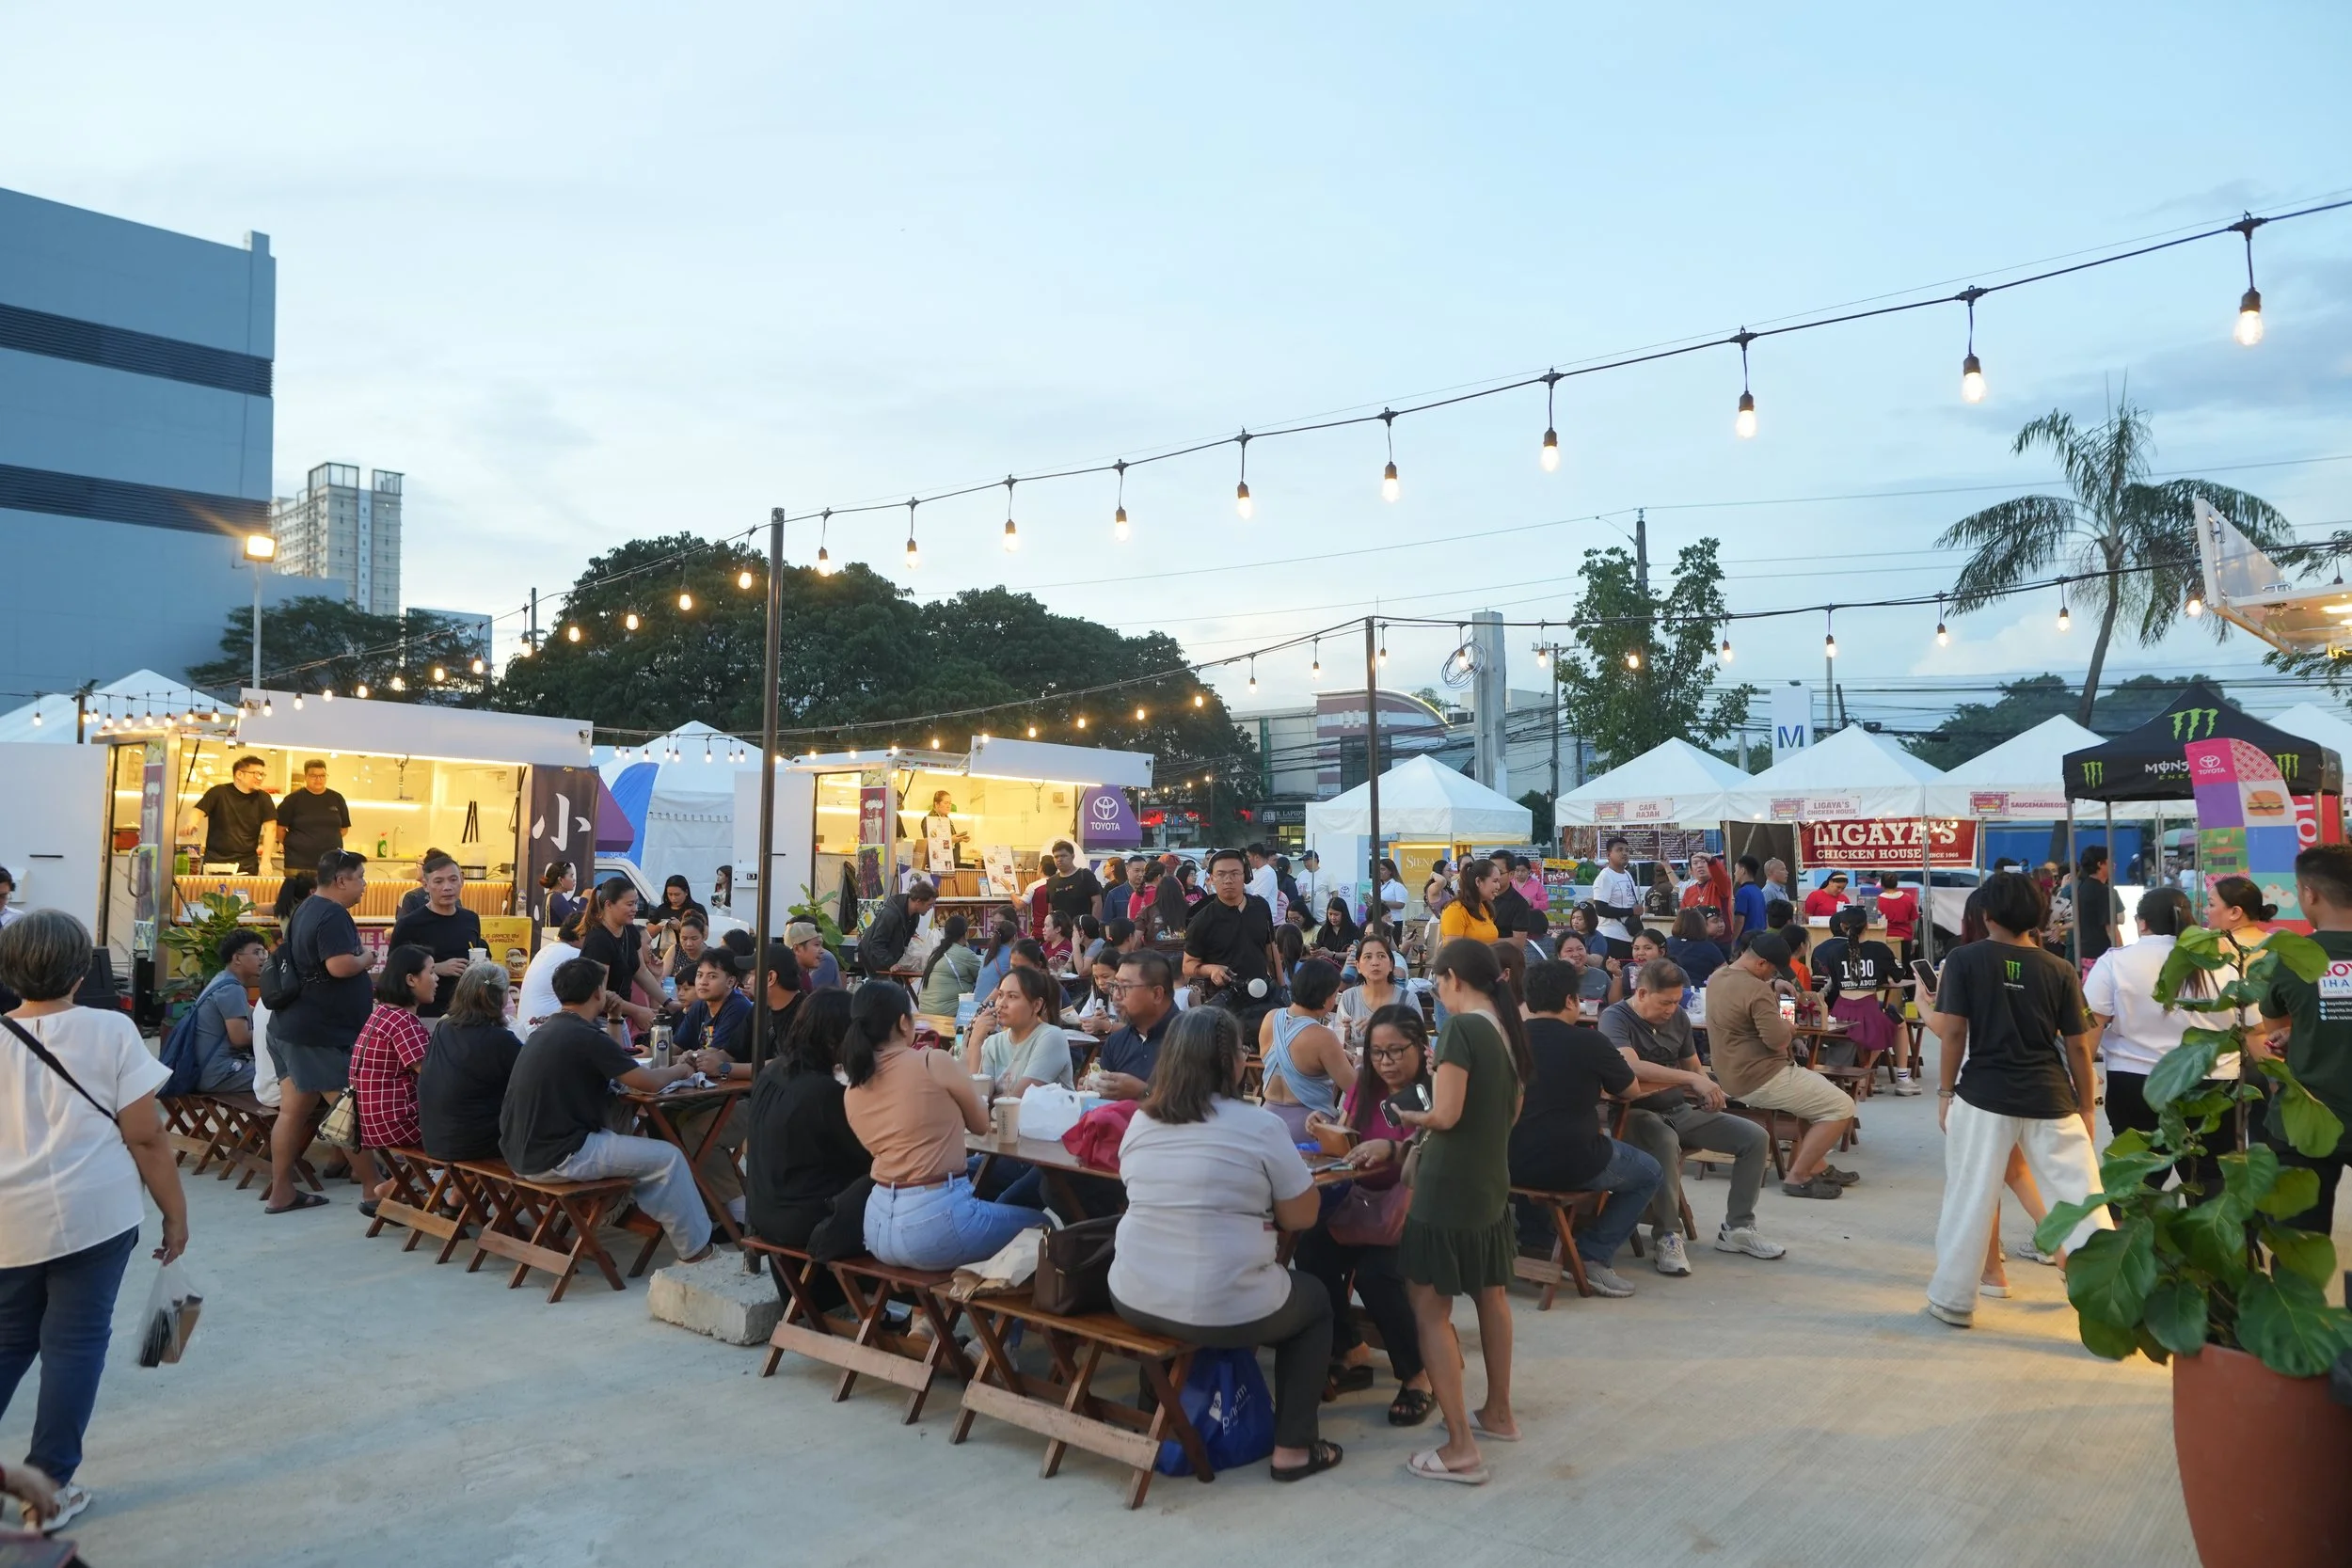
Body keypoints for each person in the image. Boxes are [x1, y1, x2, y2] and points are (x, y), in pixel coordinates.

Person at [0, 911, 190, 1533]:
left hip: (8, 1222)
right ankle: (50, 1487)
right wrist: (175, 1215)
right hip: (95, 1214)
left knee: (8, 1341)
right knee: (75, 1344)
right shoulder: (110, 1030)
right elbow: (146, 1136)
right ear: (82, 970)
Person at [1108, 1006, 1342, 1483]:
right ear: (1231, 1061)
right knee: (1315, 1301)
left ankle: (1161, 1410)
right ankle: (1293, 1448)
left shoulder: (1143, 1121)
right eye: (1240, 1049)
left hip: (1131, 1294)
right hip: (1219, 1303)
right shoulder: (1259, 1125)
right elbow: (1302, 1216)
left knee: (1205, 1286)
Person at [1925, 871, 2111, 1327]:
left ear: (1986, 914)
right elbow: (2078, 1046)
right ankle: (2108, 1297)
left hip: (1982, 1095)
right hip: (2051, 1096)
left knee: (1970, 1196)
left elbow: (1953, 1033)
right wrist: (2087, 1106)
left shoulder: (1964, 959)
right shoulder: (2060, 969)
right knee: (2082, 1200)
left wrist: (1945, 1092)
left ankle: (1954, 1300)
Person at [1392, 938, 1527, 1484]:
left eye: (1438, 983)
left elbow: (1445, 1114)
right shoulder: (1508, 1028)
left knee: (1429, 1309)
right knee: (1491, 1294)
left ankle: (1460, 1447)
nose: (1438, 993)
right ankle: (1498, 1412)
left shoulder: (1461, 1029)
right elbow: (1511, 1111)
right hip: (1490, 1178)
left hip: (1448, 1185)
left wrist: (1408, 1117)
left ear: (1453, 978)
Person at [501, 958, 715, 1261]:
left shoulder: (549, 1029)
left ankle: (647, 1218)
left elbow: (617, 1062)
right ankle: (697, 1252)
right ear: (597, 993)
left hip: (520, 1153)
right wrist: (681, 1069)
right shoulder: (585, 1036)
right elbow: (649, 1083)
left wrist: (615, 1018)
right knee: (669, 1158)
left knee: (638, 1143)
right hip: (558, 1155)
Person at [1295, 1004, 1435, 1422]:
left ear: (1421, 1047)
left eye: (1396, 1051)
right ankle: (1350, 1347)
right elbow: (1347, 1140)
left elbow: (1436, 1157)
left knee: (1377, 1273)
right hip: (1364, 1205)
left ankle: (1417, 1375)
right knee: (1310, 1248)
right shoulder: (1364, 1088)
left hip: (1416, 1211)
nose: (1385, 1062)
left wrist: (1391, 1150)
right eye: (1376, 1052)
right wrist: (1325, 1128)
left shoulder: (1432, 1093)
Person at [1601, 958, 1783, 1271]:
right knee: (1664, 1140)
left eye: (1677, 1001)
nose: (1671, 1009)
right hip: (1634, 1114)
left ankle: (1738, 1227)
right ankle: (1668, 1235)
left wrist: (1708, 1090)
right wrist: (1691, 1079)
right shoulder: (1615, 1018)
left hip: (1679, 1110)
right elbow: (1630, 1065)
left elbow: (1693, 1065)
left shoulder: (1679, 1019)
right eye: (1665, 1002)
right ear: (1642, 993)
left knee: (1754, 1137)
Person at [845, 980, 1035, 1270]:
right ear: (903, 1023)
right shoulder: (932, 1062)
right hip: (934, 1222)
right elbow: (981, 1124)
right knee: (1043, 1227)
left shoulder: (853, 1087)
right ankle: (1002, 1304)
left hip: (876, 1224)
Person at [1506, 960, 1662, 1299]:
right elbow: (1631, 1090)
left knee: (1537, 1139)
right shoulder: (1590, 1042)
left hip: (1506, 1160)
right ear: (1570, 1000)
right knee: (1650, 1171)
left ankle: (1537, 1242)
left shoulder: (1506, 1039)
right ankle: (1592, 1255)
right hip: (1572, 1161)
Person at [2087, 887, 2237, 1190]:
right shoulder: (2222, 964)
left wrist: (2084, 1075)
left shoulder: (2115, 962)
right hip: (2212, 1083)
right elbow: (2253, 1026)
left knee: (2136, 1181)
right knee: (2210, 1178)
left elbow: (2091, 1025)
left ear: (2142, 923)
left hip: (2137, 1084)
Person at [266, 850, 382, 1212]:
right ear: (341, 880)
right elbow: (340, 966)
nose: (364, 885)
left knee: (293, 1111)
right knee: (349, 1109)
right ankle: (374, 1190)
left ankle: (282, 1191)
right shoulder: (332, 914)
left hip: (292, 1026)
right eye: (360, 877)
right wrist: (367, 959)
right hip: (318, 1034)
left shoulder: (306, 908)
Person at [1705, 932, 1856, 1199]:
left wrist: (1774, 985)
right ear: (1761, 963)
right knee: (1842, 1106)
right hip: (1763, 1076)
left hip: (1730, 1073)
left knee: (1816, 1100)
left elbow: (1746, 1003)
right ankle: (1798, 1177)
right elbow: (1778, 1040)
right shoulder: (1757, 990)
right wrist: (1789, 1024)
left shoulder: (1718, 977)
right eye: (1773, 970)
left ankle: (1816, 1165)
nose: (1773, 975)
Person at [2251, 844, 2352, 1234]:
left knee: (2296, 1247)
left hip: (2302, 1121)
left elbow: (2272, 1035)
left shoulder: (2287, 957)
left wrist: (2300, 1033)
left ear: (2310, 893)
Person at [745, 990, 871, 1252]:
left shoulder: (771, 1071)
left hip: (762, 1211)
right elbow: (865, 1157)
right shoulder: (825, 1093)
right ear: (834, 1039)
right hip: (807, 1221)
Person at [348, 944, 437, 1213]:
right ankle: (457, 1202)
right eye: (431, 971)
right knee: (470, 1131)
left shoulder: (382, 1013)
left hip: (370, 1121)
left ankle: (390, 1189)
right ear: (411, 979)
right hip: (396, 1122)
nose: (436, 979)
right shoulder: (403, 1022)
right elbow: (432, 1076)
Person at [417, 961, 524, 1164]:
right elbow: (532, 1082)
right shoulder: (500, 1040)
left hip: (435, 1138)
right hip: (473, 1144)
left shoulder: (444, 1027)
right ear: (500, 998)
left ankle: (462, 1187)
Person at [1812, 905, 1913, 1088]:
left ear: (1842, 926)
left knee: (1879, 1024)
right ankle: (1899, 1077)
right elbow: (1899, 974)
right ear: (1867, 926)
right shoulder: (1879, 949)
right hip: (1868, 1010)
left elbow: (1836, 982)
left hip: (1841, 1010)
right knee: (1897, 1023)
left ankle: (1864, 1073)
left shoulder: (1834, 953)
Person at [1258, 958, 1349, 1140]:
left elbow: (1289, 1056)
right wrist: (1360, 1064)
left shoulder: (1270, 1018)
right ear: (1325, 999)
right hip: (1309, 1126)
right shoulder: (1323, 1037)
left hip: (1267, 1120)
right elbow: (1354, 1088)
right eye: (1335, 995)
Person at [389, 849, 482, 1019]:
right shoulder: (409, 924)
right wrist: (436, 968)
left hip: (467, 1011)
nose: (447, 887)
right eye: (438, 881)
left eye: (453, 879)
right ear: (425, 885)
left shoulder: (471, 919)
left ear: (462, 880)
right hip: (426, 1013)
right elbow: (394, 971)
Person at [1184, 847, 1278, 1013]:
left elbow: (1271, 952)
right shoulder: (1201, 919)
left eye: (1235, 873)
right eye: (1221, 874)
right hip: (1223, 1005)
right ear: (1211, 878)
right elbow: (1188, 965)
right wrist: (1211, 969)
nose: (1228, 880)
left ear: (1245, 876)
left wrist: (1281, 989)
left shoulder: (1261, 907)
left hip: (1262, 998)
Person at [963, 966, 1074, 1097]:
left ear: (1036, 1005)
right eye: (1000, 995)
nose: (1001, 1004)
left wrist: (989, 1099)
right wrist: (975, 1041)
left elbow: (1020, 1097)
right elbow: (978, 1097)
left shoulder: (1051, 1037)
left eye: (1012, 996)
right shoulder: (993, 1043)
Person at [1089, 951, 1176, 1100]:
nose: (1116, 996)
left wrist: (1144, 1092)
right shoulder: (1116, 1042)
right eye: (1115, 986)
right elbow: (1105, 1105)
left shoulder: (1193, 1037)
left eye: (1125, 987)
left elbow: (1200, 1105)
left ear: (1156, 994)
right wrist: (1094, 1090)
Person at [579, 877, 659, 1039]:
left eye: (636, 903)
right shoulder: (598, 940)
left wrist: (668, 1002)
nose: (635, 909)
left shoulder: (630, 931)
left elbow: (641, 971)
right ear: (609, 905)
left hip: (618, 1016)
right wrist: (637, 1011)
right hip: (598, 1020)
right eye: (629, 904)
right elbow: (599, 994)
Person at [187, 929, 264, 1094]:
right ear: (237, 958)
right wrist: (272, 1033)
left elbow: (252, 1013)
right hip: (221, 1072)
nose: (263, 958)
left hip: (204, 1070)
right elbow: (240, 1039)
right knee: (286, 1080)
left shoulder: (222, 980)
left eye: (263, 952)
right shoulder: (231, 989)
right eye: (256, 952)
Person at [191, 753, 276, 873]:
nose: (260, 778)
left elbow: (271, 829)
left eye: (262, 774)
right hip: (215, 863)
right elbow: (198, 811)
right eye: (256, 774)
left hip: (246, 864)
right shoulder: (218, 792)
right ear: (239, 774)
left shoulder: (264, 798)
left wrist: (266, 861)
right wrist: (191, 823)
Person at [675, 950, 755, 1060]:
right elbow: (677, 1046)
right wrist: (656, 1056)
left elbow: (713, 1056)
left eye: (712, 976)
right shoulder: (699, 1006)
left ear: (730, 982)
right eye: (699, 975)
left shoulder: (738, 1007)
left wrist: (683, 1058)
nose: (703, 982)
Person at [274, 759, 350, 874]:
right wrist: (295, 844)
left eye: (322, 776)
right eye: (314, 776)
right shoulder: (292, 800)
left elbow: (344, 829)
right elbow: (279, 829)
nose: (318, 779)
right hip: (298, 864)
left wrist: (325, 840)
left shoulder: (337, 798)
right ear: (306, 777)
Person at [1332, 933, 1404, 1053]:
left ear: (1391, 965)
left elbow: (1418, 1043)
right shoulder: (1349, 997)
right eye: (1368, 957)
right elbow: (1339, 1047)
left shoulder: (1406, 999)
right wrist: (1344, 1036)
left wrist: (1381, 1029)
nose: (1375, 962)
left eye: (1381, 956)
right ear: (1358, 966)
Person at [517, 910, 585, 1031]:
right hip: (543, 1029)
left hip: (527, 1027)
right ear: (581, 935)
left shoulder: (547, 949)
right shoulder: (575, 954)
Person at [914, 914, 979, 1037]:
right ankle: (959, 1046)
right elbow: (982, 977)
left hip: (924, 1009)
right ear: (966, 933)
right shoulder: (965, 954)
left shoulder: (937, 952)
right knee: (974, 1010)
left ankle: (956, 1045)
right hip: (944, 1013)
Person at [858, 880, 936, 974]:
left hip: (889, 958)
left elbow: (905, 943)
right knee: (885, 982)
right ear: (918, 901)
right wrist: (890, 963)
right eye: (929, 904)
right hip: (872, 958)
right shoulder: (890, 914)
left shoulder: (915, 916)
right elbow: (876, 944)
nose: (931, 908)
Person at [2070, 846, 2124, 973]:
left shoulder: (2082, 888)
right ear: (2100, 864)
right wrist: (2121, 953)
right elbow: (2111, 928)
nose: (2114, 864)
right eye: (2110, 860)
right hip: (2102, 955)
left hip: (2085, 952)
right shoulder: (2103, 891)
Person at [1590, 837, 1642, 962]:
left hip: (1629, 935)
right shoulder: (1605, 877)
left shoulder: (1627, 874)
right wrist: (1631, 911)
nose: (1624, 853)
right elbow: (1601, 909)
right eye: (1619, 850)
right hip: (1611, 936)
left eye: (1627, 850)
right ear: (1608, 855)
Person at [2203, 873, 2274, 949]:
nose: (2205, 911)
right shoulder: (2276, 943)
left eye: (2211, 904)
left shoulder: (2217, 946)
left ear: (2235, 912)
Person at [1550, 933, 1621, 1007]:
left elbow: (1616, 1005)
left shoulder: (1600, 975)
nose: (1576, 954)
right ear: (1559, 955)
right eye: (1569, 950)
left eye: (1580, 949)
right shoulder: (1552, 976)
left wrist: (1617, 975)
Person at [1440, 859, 1502, 944]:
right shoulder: (1456, 910)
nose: (1498, 886)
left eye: (1498, 881)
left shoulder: (1484, 907)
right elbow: (1453, 950)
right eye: (1495, 881)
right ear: (1478, 881)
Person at [1663, 908, 1727, 988]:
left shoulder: (1667, 943)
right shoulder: (1709, 947)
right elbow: (1724, 972)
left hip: (1668, 989)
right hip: (1700, 990)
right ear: (1701, 925)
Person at [1044, 843, 1104, 925]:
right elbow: (1050, 908)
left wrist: (1093, 926)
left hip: (1082, 928)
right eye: (1056, 857)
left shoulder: (1086, 875)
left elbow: (1097, 902)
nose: (1059, 859)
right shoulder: (1051, 881)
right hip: (1060, 930)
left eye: (1063, 856)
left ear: (1073, 856)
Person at [786, 920, 845, 991]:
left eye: (821, 945)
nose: (822, 951)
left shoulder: (802, 975)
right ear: (797, 949)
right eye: (817, 945)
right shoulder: (785, 981)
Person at [1874, 871, 1919, 958]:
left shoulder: (1878, 901)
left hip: (1885, 939)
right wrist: (1912, 939)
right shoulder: (1908, 899)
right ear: (1896, 883)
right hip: (1905, 938)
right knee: (1904, 965)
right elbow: (1913, 922)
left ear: (1882, 884)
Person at [662, 914, 710, 994]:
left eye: (694, 938)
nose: (689, 944)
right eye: (684, 938)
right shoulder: (675, 950)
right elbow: (662, 977)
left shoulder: (711, 955)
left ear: (703, 937)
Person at [1487, 852, 1530, 936]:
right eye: (1489, 872)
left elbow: (1518, 941)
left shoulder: (1520, 904)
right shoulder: (1480, 898)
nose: (1492, 877)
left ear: (1511, 874)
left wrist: (1484, 941)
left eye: (1499, 872)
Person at [1731, 856, 1770, 945]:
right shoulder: (1759, 891)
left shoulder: (1742, 892)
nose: (1734, 873)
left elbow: (1740, 920)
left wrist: (1732, 941)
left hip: (1746, 942)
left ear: (1742, 871)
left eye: (1736, 870)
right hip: (1760, 940)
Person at [539, 861, 583, 933]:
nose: (574, 879)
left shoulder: (553, 896)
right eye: (571, 876)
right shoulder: (556, 898)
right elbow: (577, 924)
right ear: (560, 880)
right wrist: (584, 900)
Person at [1312, 897, 1359, 961]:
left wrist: (1332, 954)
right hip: (1325, 965)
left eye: (1336, 914)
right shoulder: (1324, 930)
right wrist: (1315, 951)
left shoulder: (1354, 930)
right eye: (1330, 914)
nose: (1333, 918)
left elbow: (1355, 954)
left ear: (1343, 914)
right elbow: (1319, 947)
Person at [1375, 857, 1409, 928]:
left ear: (1390, 871)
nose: (1380, 872)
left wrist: (1383, 902)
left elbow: (1401, 904)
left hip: (1393, 920)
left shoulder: (1397, 886)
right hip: (1377, 920)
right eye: (1378, 869)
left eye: (1383, 869)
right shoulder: (1377, 885)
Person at [1101, 857, 1134, 924]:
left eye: (1105, 866)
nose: (1104, 869)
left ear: (1112, 868)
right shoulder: (1126, 885)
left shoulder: (1110, 887)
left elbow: (1107, 913)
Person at [1295, 849, 1325, 915]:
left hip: (1322, 916)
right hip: (1305, 915)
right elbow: (1297, 892)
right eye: (1304, 861)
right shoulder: (1301, 875)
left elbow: (1334, 892)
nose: (1305, 863)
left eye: (1307, 860)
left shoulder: (1327, 875)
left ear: (1315, 860)